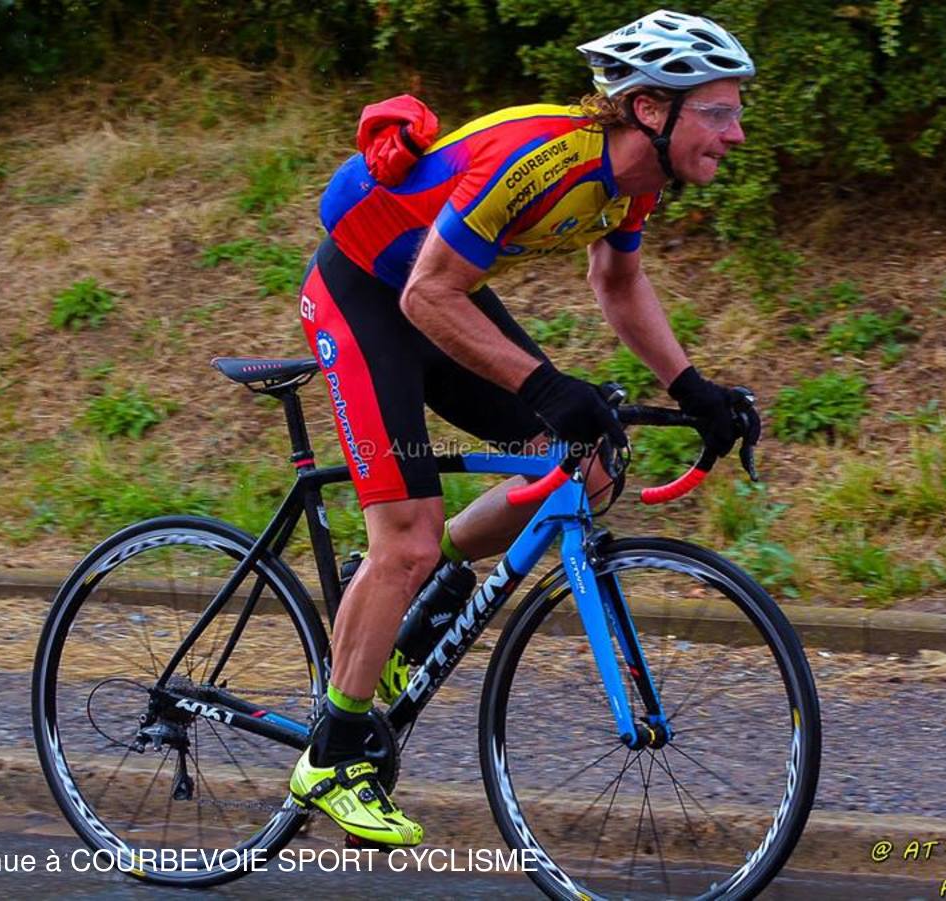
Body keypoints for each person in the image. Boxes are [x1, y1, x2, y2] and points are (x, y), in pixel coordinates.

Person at [289, 9, 758, 846]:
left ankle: (415, 598)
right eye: (719, 112)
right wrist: (544, 385)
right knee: (407, 534)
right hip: (366, 293)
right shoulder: (541, 159)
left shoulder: (636, 181)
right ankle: (330, 755)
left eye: (736, 112)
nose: (737, 133)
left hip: (434, 294)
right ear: (651, 108)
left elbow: (618, 284)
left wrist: (692, 388)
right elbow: (423, 294)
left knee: (589, 466)